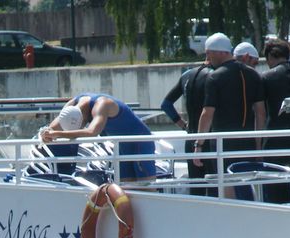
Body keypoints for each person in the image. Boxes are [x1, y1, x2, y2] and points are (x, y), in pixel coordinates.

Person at [194, 33, 266, 188]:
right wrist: (258, 144)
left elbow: (207, 114)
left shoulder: (215, 77)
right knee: (248, 185)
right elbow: (260, 112)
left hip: (223, 143)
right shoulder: (253, 74)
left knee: (226, 186)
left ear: (220, 52)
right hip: (248, 143)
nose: (207, 57)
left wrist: (199, 145)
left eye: (208, 52)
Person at [41, 92, 157, 181]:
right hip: (121, 146)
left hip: (141, 142)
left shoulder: (102, 104)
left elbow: (92, 132)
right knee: (126, 188)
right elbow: (53, 128)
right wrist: (47, 133)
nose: (80, 129)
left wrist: (58, 134)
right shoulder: (72, 105)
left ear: (84, 118)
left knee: (145, 187)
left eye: (80, 126)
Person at [160, 51, 213, 193]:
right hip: (210, 138)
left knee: (196, 190)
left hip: (190, 138)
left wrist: (183, 125)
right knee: (215, 187)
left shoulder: (187, 75)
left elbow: (165, 104)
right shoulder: (215, 75)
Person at [260, 39, 290, 176]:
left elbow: (261, 111)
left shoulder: (267, 77)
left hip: (274, 136)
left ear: (270, 57)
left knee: (273, 180)